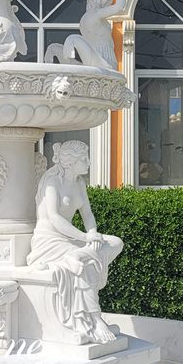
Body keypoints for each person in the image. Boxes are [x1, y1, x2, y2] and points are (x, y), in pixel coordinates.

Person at [27, 140, 122, 344]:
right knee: (87, 265)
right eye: (84, 159)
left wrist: (93, 233)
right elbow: (54, 218)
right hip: (48, 241)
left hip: (70, 240)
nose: (88, 162)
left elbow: (87, 215)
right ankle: (95, 320)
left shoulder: (79, 182)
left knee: (116, 243)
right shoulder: (52, 181)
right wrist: (85, 238)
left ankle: (77, 255)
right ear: (71, 162)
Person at [44, 0, 131, 69]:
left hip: (91, 59)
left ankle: (54, 49)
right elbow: (119, 7)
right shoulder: (97, 13)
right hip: (105, 60)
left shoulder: (84, 18)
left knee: (57, 48)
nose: (107, 7)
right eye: (108, 3)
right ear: (103, 1)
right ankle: (71, 41)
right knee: (74, 38)